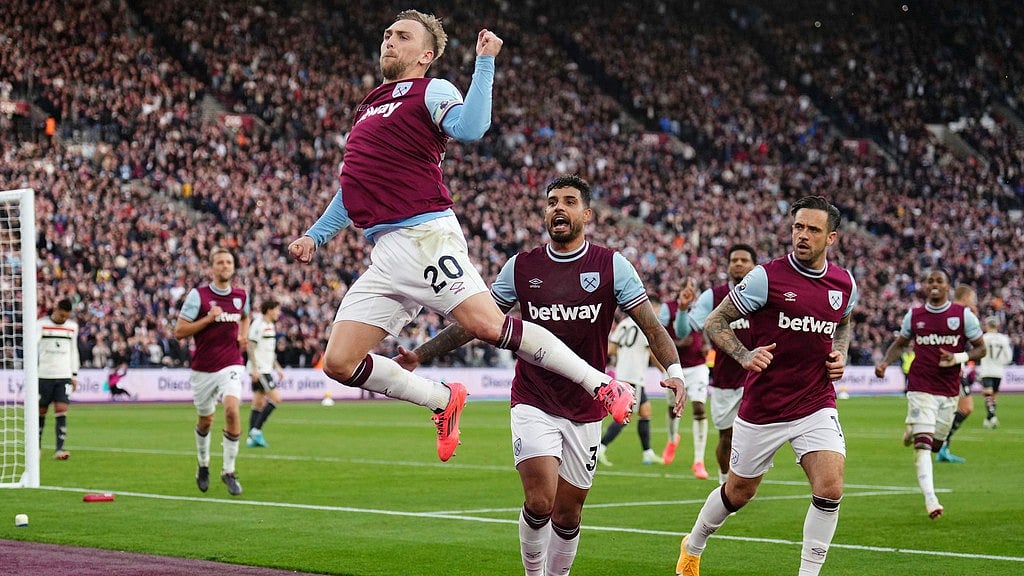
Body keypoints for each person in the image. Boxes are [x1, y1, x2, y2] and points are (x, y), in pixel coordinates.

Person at [286, 11, 635, 463]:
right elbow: (353, 182)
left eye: (402, 36)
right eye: (388, 34)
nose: (389, 40)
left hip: (424, 234)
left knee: (489, 326)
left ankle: (601, 384)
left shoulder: (433, 89)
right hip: (386, 252)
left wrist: (484, 64)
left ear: (425, 55)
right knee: (339, 362)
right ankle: (441, 400)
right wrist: (315, 236)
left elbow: (471, 128)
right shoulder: (369, 104)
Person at [397, 175, 687, 576]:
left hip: (588, 405)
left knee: (568, 515)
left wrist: (674, 371)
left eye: (569, 202)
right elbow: (476, 323)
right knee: (540, 501)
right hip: (533, 398)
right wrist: (421, 353)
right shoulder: (521, 266)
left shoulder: (611, 265)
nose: (559, 208)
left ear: (586, 214)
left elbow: (653, 327)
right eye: (552, 202)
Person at [676, 196, 858, 576]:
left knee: (830, 489)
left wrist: (839, 352)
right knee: (738, 493)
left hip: (815, 402)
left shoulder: (843, 282)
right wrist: (744, 356)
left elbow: (844, 321)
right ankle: (693, 545)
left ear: (832, 238)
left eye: (813, 229)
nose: (802, 235)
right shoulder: (766, 277)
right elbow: (714, 322)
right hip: (764, 407)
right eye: (797, 227)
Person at [874, 269, 985, 519]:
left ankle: (912, 431)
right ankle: (931, 499)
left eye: (939, 281)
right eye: (930, 281)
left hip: (948, 390)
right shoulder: (914, 316)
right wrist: (884, 363)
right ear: (925, 286)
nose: (934, 284)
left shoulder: (963, 316)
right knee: (924, 446)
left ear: (948, 287)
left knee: (936, 444)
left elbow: (981, 349)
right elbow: (901, 343)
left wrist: (958, 357)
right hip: (920, 385)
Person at [674, 244, 758, 484]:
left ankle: (746, 481)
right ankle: (725, 484)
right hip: (724, 380)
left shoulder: (765, 295)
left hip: (756, 378)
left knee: (753, 435)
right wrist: (681, 309)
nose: (739, 264)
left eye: (744, 260)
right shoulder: (714, 296)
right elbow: (684, 330)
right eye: (734, 260)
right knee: (727, 436)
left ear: (755, 266)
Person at [174, 247, 250, 496]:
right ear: (212, 267)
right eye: (220, 262)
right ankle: (203, 464)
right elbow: (179, 331)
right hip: (203, 368)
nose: (225, 266)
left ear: (233, 266)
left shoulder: (241, 295)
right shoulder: (199, 296)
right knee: (206, 420)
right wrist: (208, 319)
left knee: (231, 409)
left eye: (229, 262)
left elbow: (245, 317)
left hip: (231, 362)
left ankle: (228, 470)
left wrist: (244, 335)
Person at [597, 307, 664, 466]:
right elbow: (653, 352)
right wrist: (665, 371)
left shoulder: (624, 324)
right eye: (657, 309)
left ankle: (648, 453)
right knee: (625, 417)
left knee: (645, 411)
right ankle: (601, 447)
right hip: (635, 376)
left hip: (623, 374)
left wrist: (627, 357)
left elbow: (611, 350)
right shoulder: (645, 325)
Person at [660, 279, 710, 479]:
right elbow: (658, 335)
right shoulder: (668, 309)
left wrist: (706, 344)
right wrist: (678, 343)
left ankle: (699, 461)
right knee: (674, 410)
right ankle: (672, 440)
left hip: (698, 366)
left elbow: (705, 329)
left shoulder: (699, 309)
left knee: (699, 408)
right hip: (675, 367)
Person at [935, 284, 979, 462]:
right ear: (967, 297)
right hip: (951, 367)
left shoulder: (959, 313)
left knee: (955, 408)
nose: (974, 301)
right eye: (973, 297)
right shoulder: (959, 314)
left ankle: (943, 445)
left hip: (955, 365)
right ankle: (940, 443)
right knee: (965, 407)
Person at [38, 298, 80, 460]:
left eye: (66, 316)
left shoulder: (72, 327)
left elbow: (73, 352)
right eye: (62, 315)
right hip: (44, 375)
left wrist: (74, 375)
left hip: (63, 376)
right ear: (56, 310)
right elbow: (32, 348)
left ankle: (59, 449)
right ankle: (37, 448)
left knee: (61, 410)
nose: (64, 319)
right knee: (41, 412)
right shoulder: (40, 325)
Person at [246, 299, 286, 448]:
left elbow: (269, 351)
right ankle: (256, 430)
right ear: (269, 310)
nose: (278, 313)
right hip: (260, 370)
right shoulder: (258, 324)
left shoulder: (270, 326)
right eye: (277, 310)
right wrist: (254, 369)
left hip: (266, 368)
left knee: (258, 403)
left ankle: (251, 438)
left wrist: (278, 368)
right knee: (276, 398)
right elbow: (250, 346)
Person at [978, 315, 1012, 429]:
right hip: (998, 370)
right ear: (997, 325)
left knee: (988, 394)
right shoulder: (1003, 338)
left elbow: (978, 352)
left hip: (987, 369)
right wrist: (1000, 362)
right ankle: (989, 419)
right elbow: (1009, 357)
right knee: (994, 396)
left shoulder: (984, 338)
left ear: (987, 325)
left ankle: (991, 416)